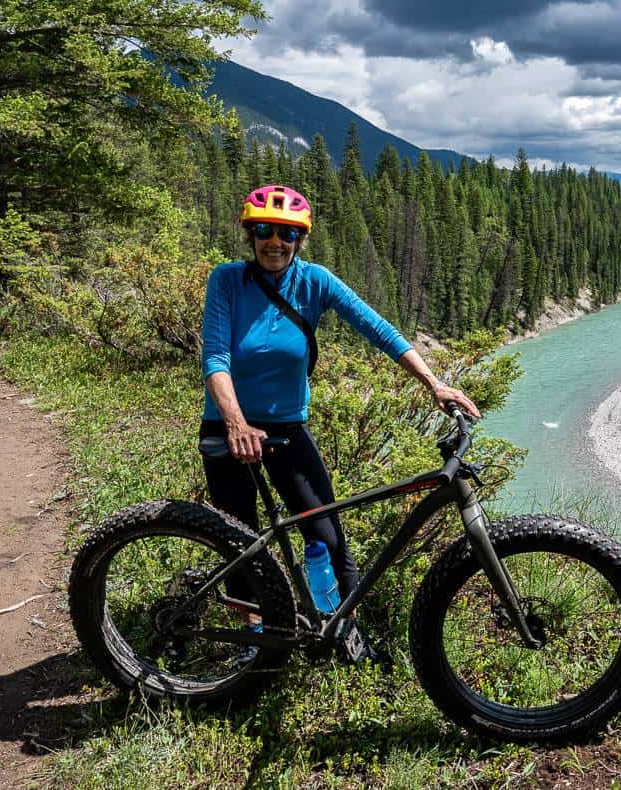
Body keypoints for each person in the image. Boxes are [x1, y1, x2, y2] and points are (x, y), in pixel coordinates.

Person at [200, 184, 480, 661]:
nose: (275, 242)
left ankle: (341, 629)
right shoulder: (227, 281)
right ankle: (254, 640)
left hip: (288, 429)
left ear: (299, 240)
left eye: (287, 234)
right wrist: (235, 422)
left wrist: (434, 383)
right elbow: (216, 355)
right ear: (250, 234)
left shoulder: (315, 282)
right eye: (265, 231)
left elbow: (378, 328)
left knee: (326, 536)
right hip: (230, 431)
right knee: (241, 543)